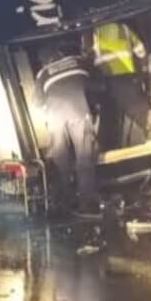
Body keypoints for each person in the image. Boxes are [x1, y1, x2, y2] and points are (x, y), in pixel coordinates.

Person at [35, 43, 99, 214]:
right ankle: (87, 202)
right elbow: (94, 83)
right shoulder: (77, 61)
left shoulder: (43, 73)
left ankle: (65, 201)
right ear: (60, 53)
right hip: (79, 111)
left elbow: (38, 103)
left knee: (60, 159)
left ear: (44, 61)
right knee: (85, 157)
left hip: (56, 118)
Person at [91, 22, 151, 148]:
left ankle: (111, 148)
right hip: (128, 77)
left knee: (110, 117)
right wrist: (142, 71)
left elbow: (89, 56)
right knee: (138, 110)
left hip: (108, 81)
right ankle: (149, 137)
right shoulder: (124, 28)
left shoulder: (95, 32)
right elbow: (141, 51)